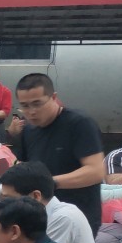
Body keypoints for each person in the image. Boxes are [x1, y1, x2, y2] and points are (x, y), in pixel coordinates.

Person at [8, 73, 104, 234]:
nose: (31, 112)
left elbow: (95, 172)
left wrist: (50, 183)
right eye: (24, 106)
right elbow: (26, 168)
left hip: (76, 217)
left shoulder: (79, 124)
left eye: (37, 104)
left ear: (53, 97)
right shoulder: (29, 130)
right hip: (40, 216)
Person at [0, 161, 100, 243]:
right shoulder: (35, 217)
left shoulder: (63, 218)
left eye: (9, 199)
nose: (5, 206)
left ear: (35, 196)